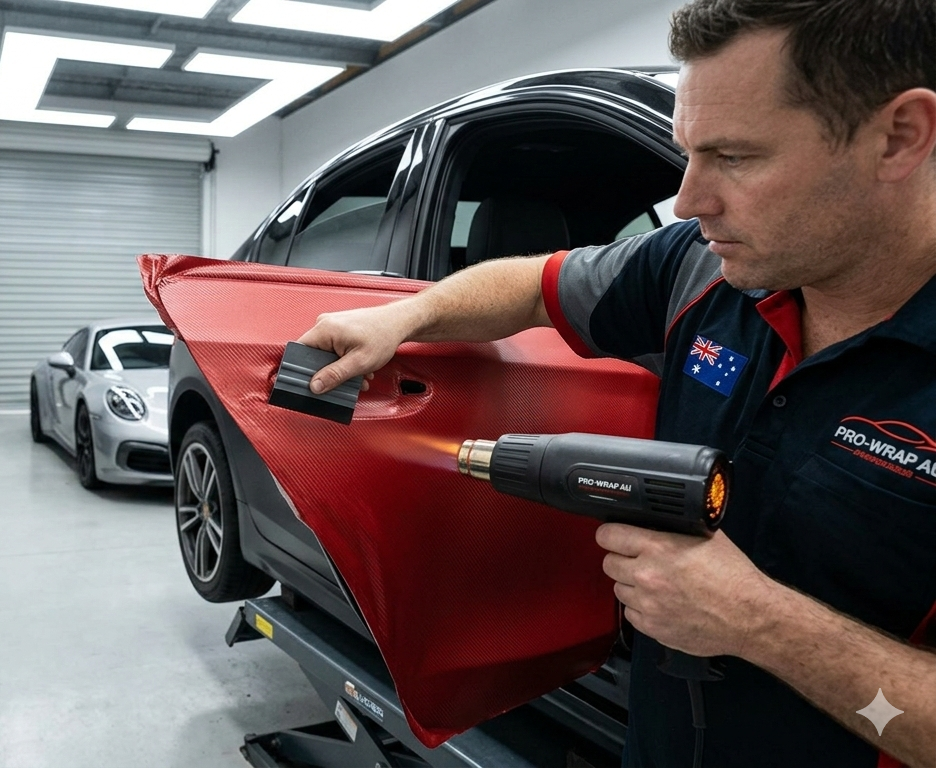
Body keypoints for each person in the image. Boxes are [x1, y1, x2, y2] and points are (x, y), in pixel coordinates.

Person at [297, 1, 936, 765]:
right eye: (687, 153)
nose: (689, 201)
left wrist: (758, 621)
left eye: (734, 157)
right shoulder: (697, 269)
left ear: (898, 137)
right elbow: (535, 285)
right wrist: (406, 317)